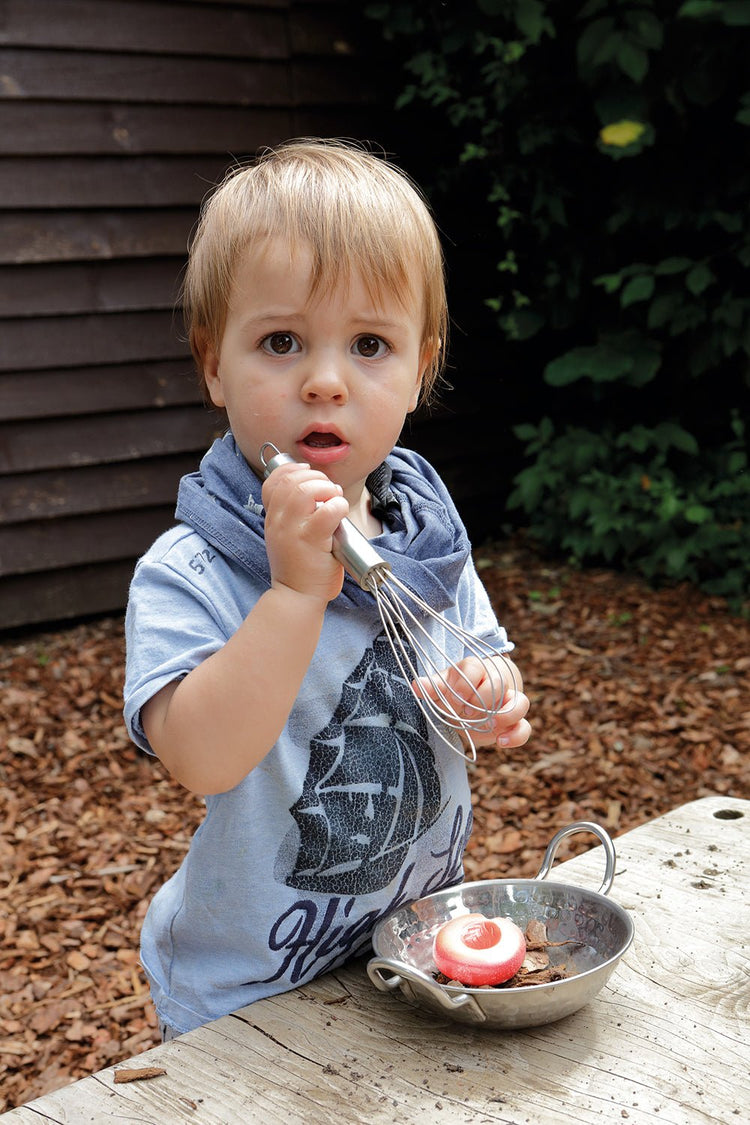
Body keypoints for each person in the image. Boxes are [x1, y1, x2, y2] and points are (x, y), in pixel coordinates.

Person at [123, 138, 531, 1039]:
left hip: (406, 949)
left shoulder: (423, 538)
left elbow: (479, 669)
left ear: (421, 368)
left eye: (370, 344)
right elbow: (200, 758)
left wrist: (486, 699)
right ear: (213, 363)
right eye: (280, 341)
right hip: (248, 990)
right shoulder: (191, 570)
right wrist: (294, 595)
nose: (324, 380)